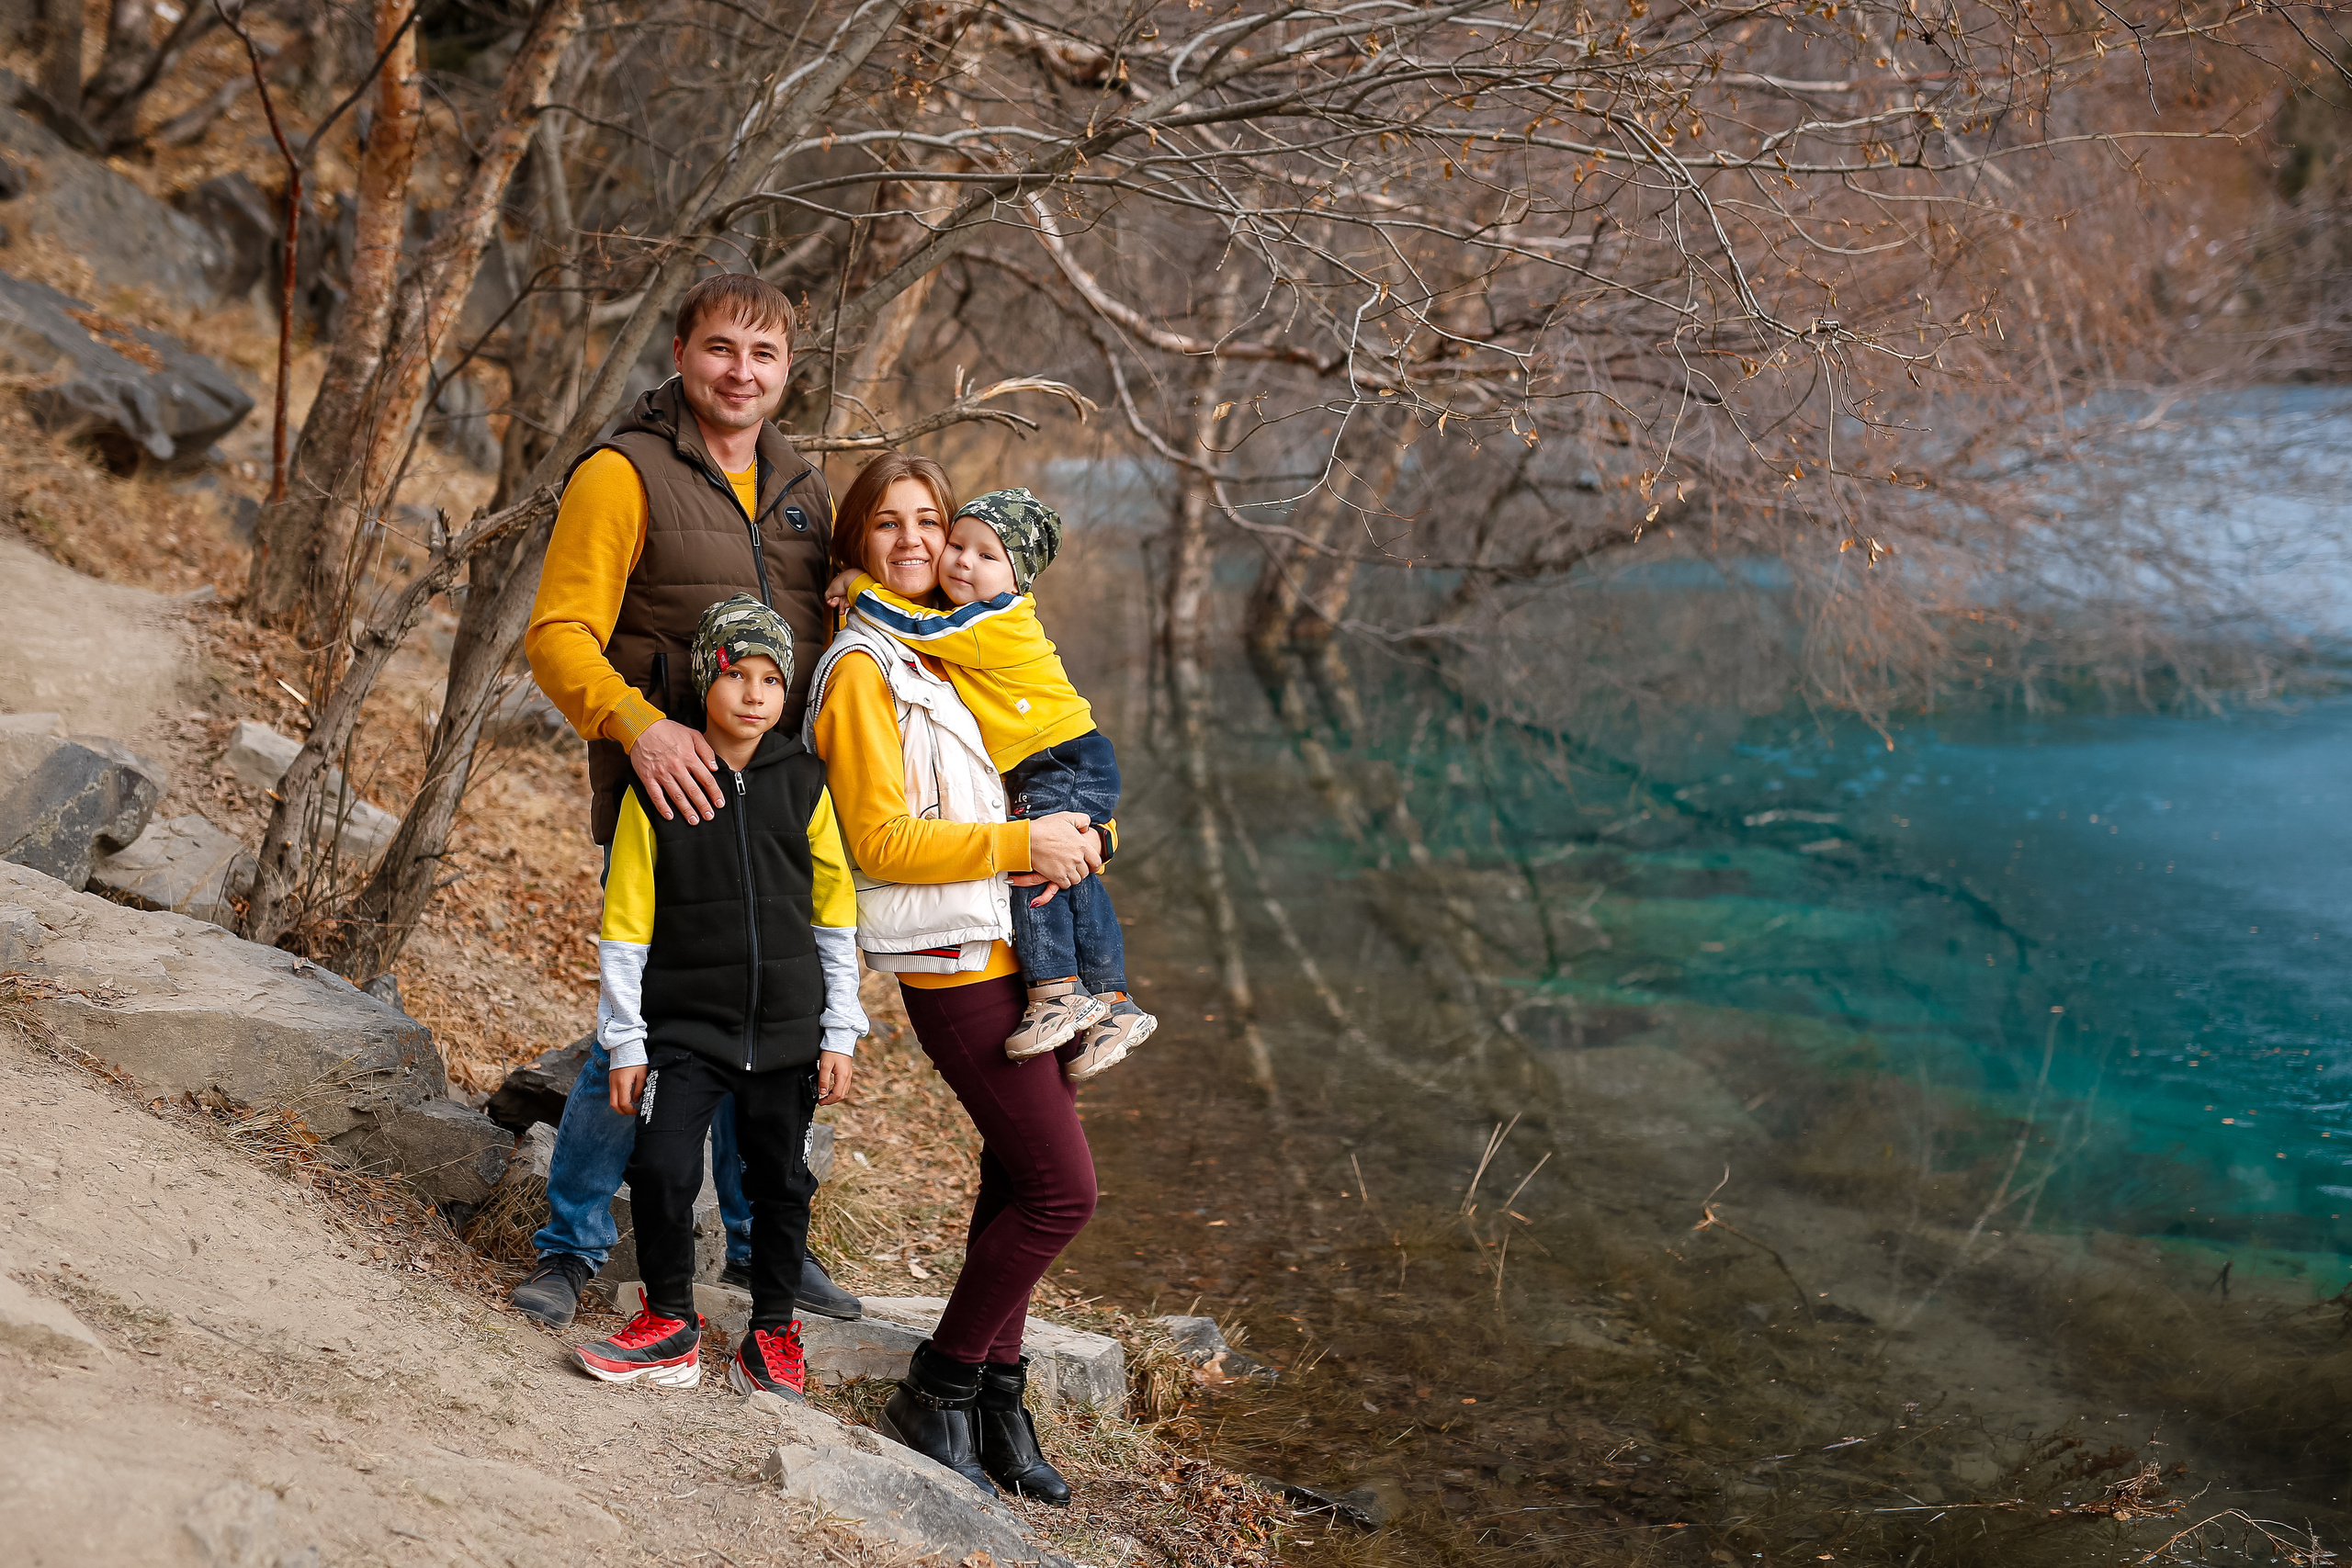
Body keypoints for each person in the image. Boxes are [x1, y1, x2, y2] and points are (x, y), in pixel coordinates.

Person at [515, 271, 858, 1329]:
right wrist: (641, 726)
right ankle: (569, 1248)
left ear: (788, 370)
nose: (740, 373)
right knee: (651, 1025)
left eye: (763, 355)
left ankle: (760, 1248)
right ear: (679, 353)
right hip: (665, 799)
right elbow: (557, 637)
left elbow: (826, 638)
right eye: (720, 348)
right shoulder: (622, 473)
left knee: (774, 1024)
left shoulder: (801, 487)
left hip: (777, 809)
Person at [803, 452, 1106, 1504]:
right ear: (856, 540)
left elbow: (1039, 761)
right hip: (953, 963)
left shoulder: (946, 648)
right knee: (1064, 1193)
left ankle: (997, 1397)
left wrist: (1082, 833)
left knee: (1016, 1177)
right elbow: (881, 841)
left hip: (1028, 951)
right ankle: (936, 1386)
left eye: (928, 522)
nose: (913, 542)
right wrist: (1025, 843)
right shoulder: (860, 668)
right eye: (887, 524)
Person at [570, 596, 865, 1394]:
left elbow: (835, 913)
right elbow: (625, 924)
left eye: (772, 679)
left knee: (781, 1185)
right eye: (739, 675)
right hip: (684, 1029)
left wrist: (840, 1028)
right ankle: (670, 1324)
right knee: (663, 1166)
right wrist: (626, 1039)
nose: (755, 694)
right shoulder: (657, 786)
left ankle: (772, 1332)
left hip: (788, 1033)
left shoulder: (804, 783)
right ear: (708, 679)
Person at [827, 488, 1155, 1077]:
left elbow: (914, 625)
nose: (962, 562)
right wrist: (1095, 839)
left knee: (1041, 870)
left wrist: (857, 587)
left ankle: (1057, 994)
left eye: (987, 556)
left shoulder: (990, 620)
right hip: (1062, 759)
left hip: (1057, 757)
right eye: (958, 545)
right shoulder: (880, 664)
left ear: (1017, 579)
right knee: (1059, 869)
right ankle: (1111, 1002)